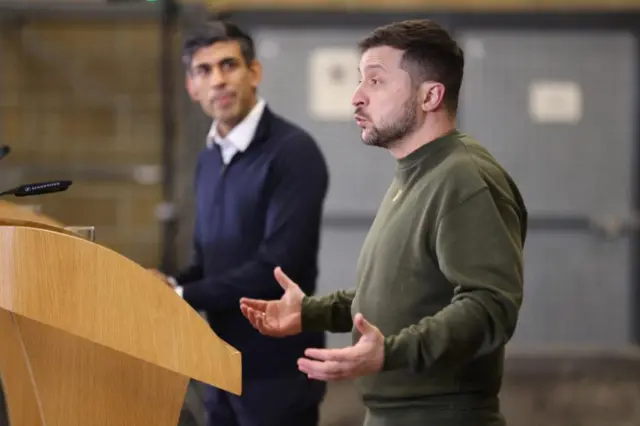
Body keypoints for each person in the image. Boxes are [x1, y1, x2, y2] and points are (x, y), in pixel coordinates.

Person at [240, 19, 528, 426]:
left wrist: (391, 352)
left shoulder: (463, 178)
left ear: (430, 95)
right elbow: (401, 289)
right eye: (360, 82)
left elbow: (490, 306)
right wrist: (311, 312)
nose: (357, 97)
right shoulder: (417, 173)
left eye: (375, 82)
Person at [152, 20, 328, 426]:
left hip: (277, 373)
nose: (218, 80)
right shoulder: (209, 157)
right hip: (218, 364)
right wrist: (166, 286)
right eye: (204, 70)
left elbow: (276, 268)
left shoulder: (293, 153)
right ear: (191, 87)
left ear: (254, 73)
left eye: (228, 65)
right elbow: (207, 256)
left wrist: (181, 293)